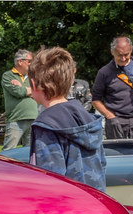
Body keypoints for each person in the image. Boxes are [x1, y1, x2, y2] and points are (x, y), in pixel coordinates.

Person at [26, 46, 106, 192]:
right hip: (96, 204)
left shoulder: (46, 125)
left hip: (67, 209)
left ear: (33, 84)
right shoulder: (88, 119)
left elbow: (49, 180)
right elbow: (101, 165)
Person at [91, 36, 133, 139]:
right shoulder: (104, 72)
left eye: (126, 55)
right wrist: (110, 116)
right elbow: (95, 100)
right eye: (119, 55)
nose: (123, 59)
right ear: (112, 52)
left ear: (131, 49)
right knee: (118, 154)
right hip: (116, 121)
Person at [0, 50, 36, 150]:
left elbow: (40, 92)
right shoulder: (8, 76)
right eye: (29, 61)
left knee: (31, 152)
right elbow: (18, 92)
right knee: (8, 151)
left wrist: (23, 88)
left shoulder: (33, 77)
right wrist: (29, 91)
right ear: (20, 62)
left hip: (34, 119)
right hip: (15, 120)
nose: (32, 64)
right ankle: (4, 167)